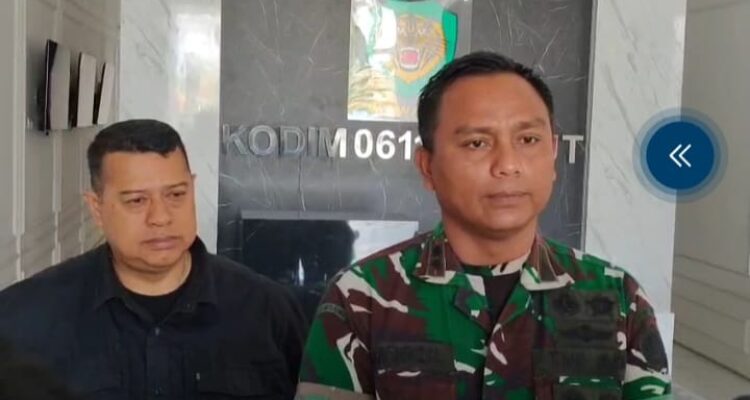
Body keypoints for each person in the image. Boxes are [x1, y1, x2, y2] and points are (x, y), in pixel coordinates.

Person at [296, 52, 671, 400]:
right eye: (477, 143)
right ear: (427, 166)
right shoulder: (362, 296)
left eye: (528, 139)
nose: (507, 164)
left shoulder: (618, 298)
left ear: (553, 154)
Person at [0, 119, 307, 399]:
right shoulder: (23, 321)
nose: (160, 217)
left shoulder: (268, 311)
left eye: (176, 195)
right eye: (137, 200)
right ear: (97, 208)